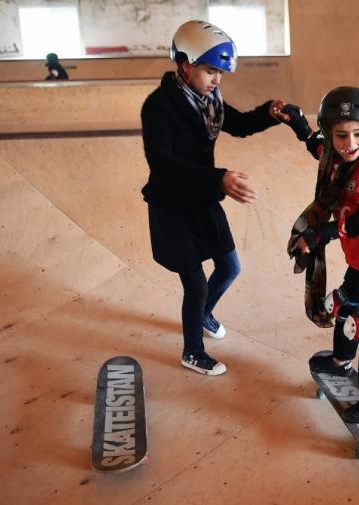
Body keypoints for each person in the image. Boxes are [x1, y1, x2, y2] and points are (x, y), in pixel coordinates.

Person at [140, 20, 290, 376]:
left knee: (229, 267)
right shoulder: (158, 107)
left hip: (203, 197)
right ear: (185, 64)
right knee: (194, 283)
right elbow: (163, 165)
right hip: (172, 205)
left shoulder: (209, 101)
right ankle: (192, 350)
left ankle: (204, 313)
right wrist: (219, 178)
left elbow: (237, 124)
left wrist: (269, 113)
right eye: (211, 71)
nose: (217, 80)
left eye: (221, 73)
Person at [281, 87, 359, 423]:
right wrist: (296, 122)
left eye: (357, 134)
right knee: (343, 305)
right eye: (341, 135)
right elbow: (318, 147)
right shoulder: (338, 155)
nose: (349, 143)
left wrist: (319, 234)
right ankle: (340, 361)